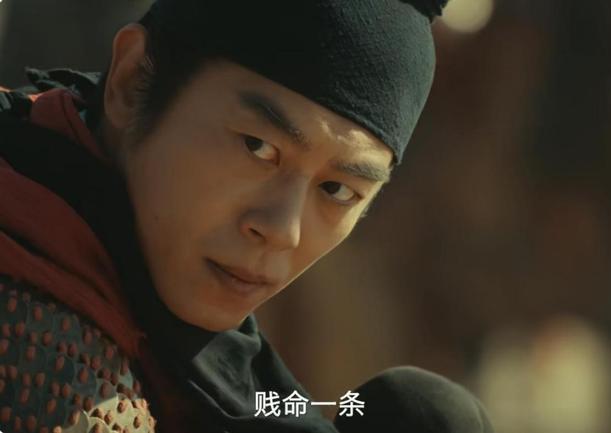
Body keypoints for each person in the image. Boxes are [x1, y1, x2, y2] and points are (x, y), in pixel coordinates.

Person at [0, 0, 494, 432]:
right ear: (132, 82)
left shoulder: (220, 372)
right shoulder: (50, 358)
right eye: (258, 147)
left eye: (338, 190)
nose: (282, 229)